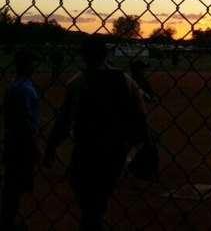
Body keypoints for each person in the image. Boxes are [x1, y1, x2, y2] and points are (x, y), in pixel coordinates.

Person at [43, 34, 152, 231]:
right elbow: (141, 117)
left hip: (87, 149)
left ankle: (92, 222)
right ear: (106, 54)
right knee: (100, 196)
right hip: (116, 150)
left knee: (85, 196)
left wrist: (51, 147)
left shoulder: (77, 82)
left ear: (82, 56)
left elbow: (64, 122)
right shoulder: (126, 81)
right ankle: (94, 220)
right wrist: (147, 145)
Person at [1, 48, 41, 231]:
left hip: (14, 139)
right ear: (25, 65)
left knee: (14, 183)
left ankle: (8, 220)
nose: (35, 64)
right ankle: (7, 222)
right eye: (33, 61)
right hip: (20, 141)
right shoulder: (23, 88)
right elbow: (23, 122)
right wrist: (33, 146)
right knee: (16, 185)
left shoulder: (18, 83)